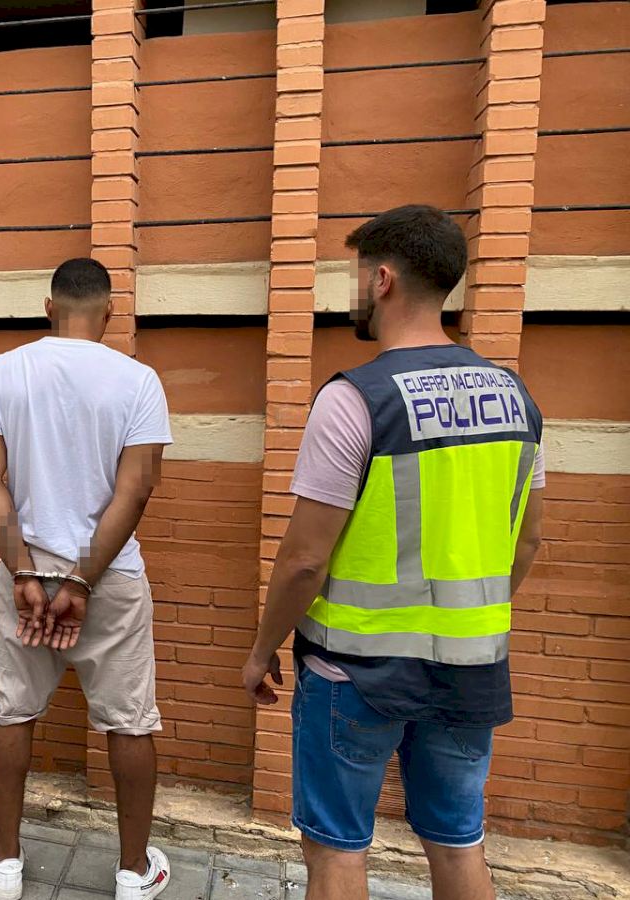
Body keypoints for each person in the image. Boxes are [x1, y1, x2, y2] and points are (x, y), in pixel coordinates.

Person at [242, 205, 545, 900]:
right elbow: (527, 538)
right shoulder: (514, 399)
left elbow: (304, 559)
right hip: (471, 670)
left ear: (382, 280)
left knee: (336, 850)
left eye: (355, 276)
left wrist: (262, 650)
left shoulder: (356, 399)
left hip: (354, 670)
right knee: (458, 844)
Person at [0, 258, 175, 900]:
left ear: (48, 307)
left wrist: (24, 570)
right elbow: (135, 490)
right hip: (109, 577)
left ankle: (6, 863)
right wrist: (82, 581)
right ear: (109, 311)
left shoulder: (3, 372)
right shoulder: (139, 381)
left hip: (24, 571)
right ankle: (133, 872)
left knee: (13, 710)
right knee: (129, 721)